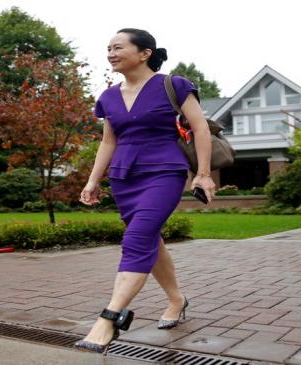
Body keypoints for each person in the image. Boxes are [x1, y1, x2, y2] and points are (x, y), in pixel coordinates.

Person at [74, 28, 216, 354]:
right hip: (124, 177)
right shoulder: (108, 96)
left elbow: (200, 127)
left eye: (118, 47)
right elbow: (109, 141)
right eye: (108, 48)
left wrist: (204, 174)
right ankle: (177, 299)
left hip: (164, 172)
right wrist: (93, 180)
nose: (110, 53)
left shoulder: (173, 85)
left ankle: (109, 318)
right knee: (149, 238)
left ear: (144, 53)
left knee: (136, 239)